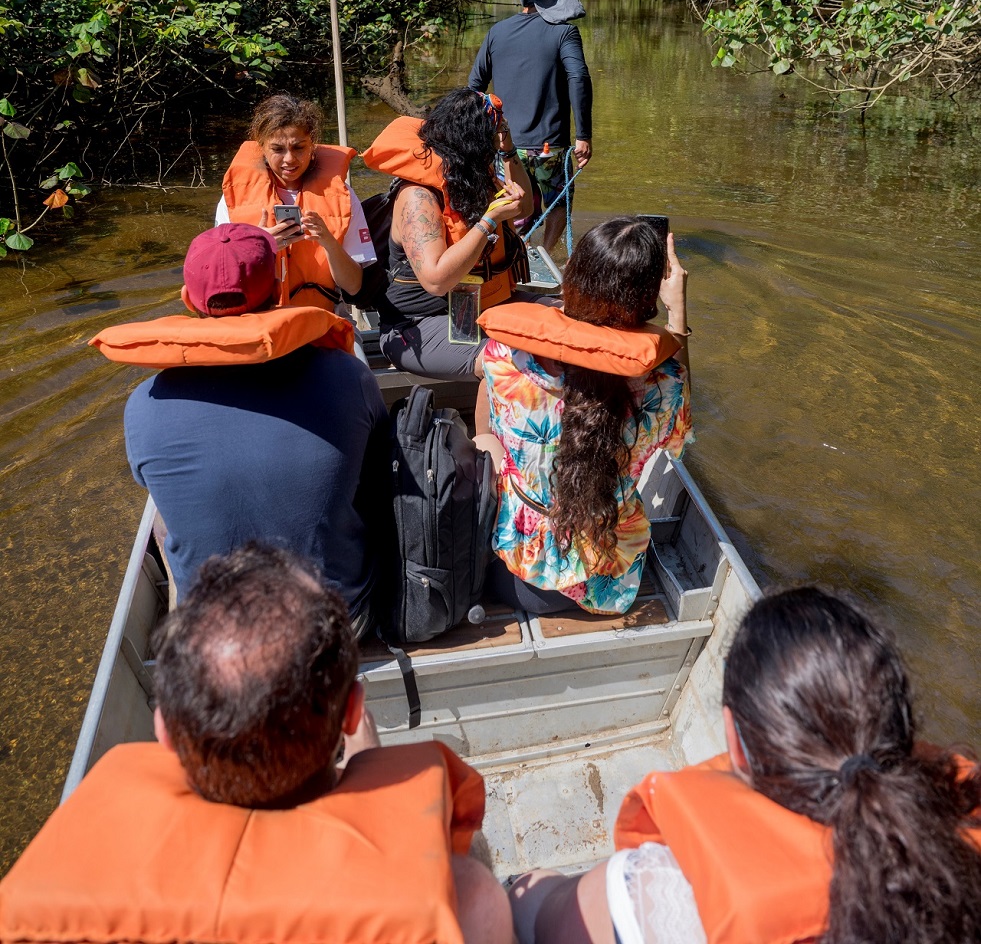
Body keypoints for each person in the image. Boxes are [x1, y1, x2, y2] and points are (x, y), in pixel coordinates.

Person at [0, 545, 514, 944]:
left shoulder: (59, 900)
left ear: (163, 732)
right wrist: (368, 764)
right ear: (352, 711)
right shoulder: (466, 902)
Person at [510, 585, 981, 944]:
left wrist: (522, 890)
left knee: (522, 898)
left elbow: (539, 921)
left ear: (736, 743)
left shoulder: (662, 895)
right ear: (900, 731)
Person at [99, 223, 388, 632]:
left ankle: (185, 620)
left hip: (221, 641)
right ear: (277, 289)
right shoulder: (348, 376)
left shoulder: (143, 405)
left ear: (187, 299)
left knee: (162, 514)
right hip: (333, 627)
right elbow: (378, 470)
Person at [474, 217, 691, 616]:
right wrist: (677, 317)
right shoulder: (665, 386)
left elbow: (487, 421)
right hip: (610, 582)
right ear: (648, 299)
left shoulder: (504, 359)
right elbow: (679, 442)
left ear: (572, 276)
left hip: (517, 573)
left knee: (483, 442)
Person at [362, 87, 534, 383]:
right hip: (417, 326)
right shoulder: (418, 197)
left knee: (571, 320)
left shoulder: (472, 175)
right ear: (474, 145)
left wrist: (508, 150)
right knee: (505, 363)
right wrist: (489, 220)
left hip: (477, 307)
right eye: (491, 141)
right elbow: (436, 279)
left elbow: (525, 207)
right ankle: (486, 432)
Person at [468, 0, 593, 252]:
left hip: (505, 144)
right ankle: (544, 254)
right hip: (549, 147)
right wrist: (584, 135)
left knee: (512, 203)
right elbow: (579, 77)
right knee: (558, 202)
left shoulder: (497, 32)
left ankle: (515, 254)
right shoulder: (564, 33)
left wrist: (481, 135)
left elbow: (474, 87)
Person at [218, 93, 376, 309]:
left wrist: (329, 242)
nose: (289, 159)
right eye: (277, 149)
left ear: (312, 145)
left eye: (298, 147)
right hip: (260, 322)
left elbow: (354, 286)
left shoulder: (343, 196)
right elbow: (220, 282)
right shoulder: (232, 199)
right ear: (262, 147)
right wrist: (259, 247)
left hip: (323, 321)